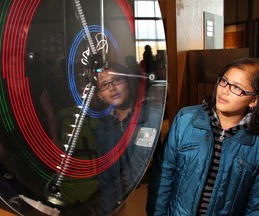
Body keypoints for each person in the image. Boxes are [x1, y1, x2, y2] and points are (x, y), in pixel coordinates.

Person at [146, 57, 259, 215]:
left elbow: (255, 204)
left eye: (236, 88)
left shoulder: (255, 142)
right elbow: (163, 175)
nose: (224, 91)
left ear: (253, 100)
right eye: (224, 81)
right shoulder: (186, 119)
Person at [96, 62, 161, 216]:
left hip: (145, 202)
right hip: (118, 204)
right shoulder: (103, 126)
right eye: (104, 85)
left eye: (117, 80)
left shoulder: (151, 117)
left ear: (128, 82)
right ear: (100, 95)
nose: (112, 88)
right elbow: (104, 176)